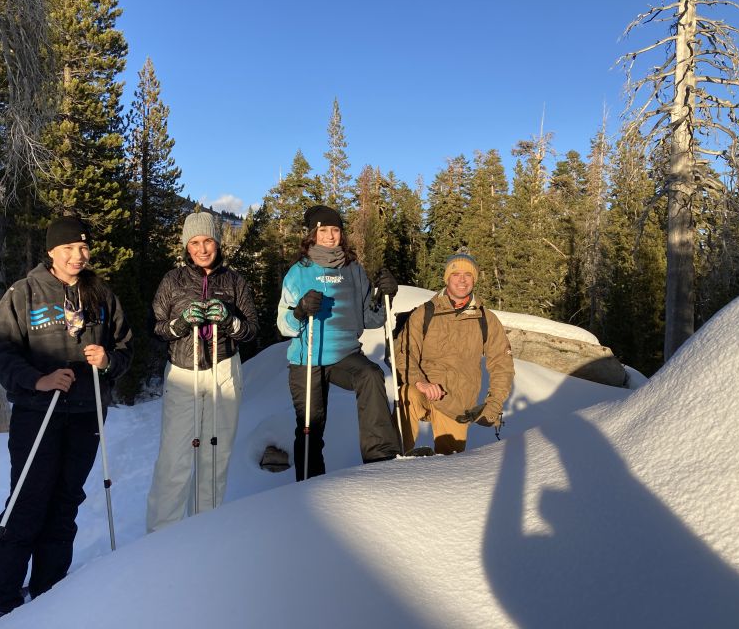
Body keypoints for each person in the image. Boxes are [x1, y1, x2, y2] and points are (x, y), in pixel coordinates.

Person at [0, 217, 132, 626]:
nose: (78, 256)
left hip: (85, 413)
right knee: (27, 502)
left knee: (65, 502)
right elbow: (0, 348)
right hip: (37, 413)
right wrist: (37, 380)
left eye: (83, 248)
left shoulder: (101, 294)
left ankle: (50, 589)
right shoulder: (23, 293)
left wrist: (108, 361)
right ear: (51, 252)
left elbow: (125, 345)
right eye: (68, 249)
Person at [146, 210, 258, 532]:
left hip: (223, 370)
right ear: (186, 246)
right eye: (194, 242)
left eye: (208, 240)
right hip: (184, 373)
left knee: (215, 455)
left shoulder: (234, 281)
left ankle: (203, 531)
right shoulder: (174, 280)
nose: (202, 248)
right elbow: (155, 329)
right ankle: (160, 536)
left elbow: (251, 330)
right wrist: (180, 324)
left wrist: (230, 320)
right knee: (174, 459)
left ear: (218, 242)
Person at [277, 204, 401, 481]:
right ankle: (309, 485)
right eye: (324, 231)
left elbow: (370, 319)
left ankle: (381, 459)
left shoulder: (353, 270)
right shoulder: (299, 272)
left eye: (335, 230)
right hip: (307, 356)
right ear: (312, 234)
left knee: (371, 375)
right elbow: (282, 324)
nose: (331, 236)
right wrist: (298, 312)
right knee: (311, 424)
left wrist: (384, 296)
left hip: (345, 354)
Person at [394, 251, 514, 455]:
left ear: (474, 279)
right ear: (447, 278)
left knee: (450, 462)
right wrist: (419, 382)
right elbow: (404, 353)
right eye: (456, 274)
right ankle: (396, 458)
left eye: (468, 275)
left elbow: (502, 364)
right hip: (424, 391)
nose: (462, 280)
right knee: (407, 395)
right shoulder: (425, 313)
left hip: (457, 403)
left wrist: (493, 404)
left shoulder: (486, 319)